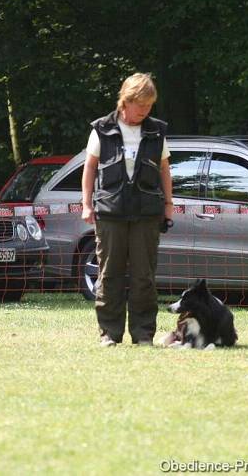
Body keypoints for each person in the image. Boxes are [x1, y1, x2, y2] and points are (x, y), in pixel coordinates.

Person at [81, 73, 173, 347]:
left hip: (147, 214)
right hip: (110, 212)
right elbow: (90, 168)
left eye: (149, 106)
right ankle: (109, 334)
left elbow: (165, 169)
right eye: (141, 105)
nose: (145, 111)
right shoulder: (101, 129)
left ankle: (143, 335)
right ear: (126, 100)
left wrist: (169, 205)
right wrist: (86, 204)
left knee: (144, 276)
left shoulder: (157, 131)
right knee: (110, 274)